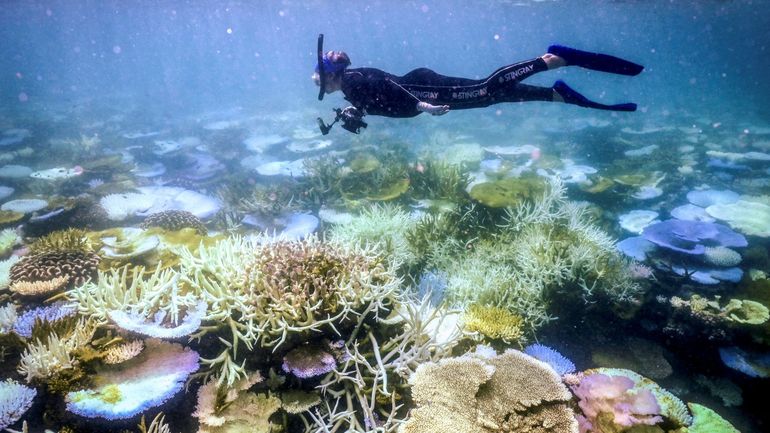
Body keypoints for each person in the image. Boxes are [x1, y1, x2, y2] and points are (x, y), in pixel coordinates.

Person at [313, 44, 643, 131]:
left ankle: (550, 60)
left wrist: (421, 106)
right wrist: (354, 111)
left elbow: (387, 85)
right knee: (486, 99)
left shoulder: (353, 80)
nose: (316, 79)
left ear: (332, 73)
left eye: (318, 73)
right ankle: (554, 94)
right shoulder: (350, 87)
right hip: (423, 92)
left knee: (485, 88)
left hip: (425, 90)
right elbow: (378, 98)